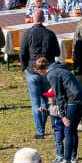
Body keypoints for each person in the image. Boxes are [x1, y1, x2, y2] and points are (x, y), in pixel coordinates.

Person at [19, 8, 61, 140]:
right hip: (47, 70)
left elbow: (22, 53)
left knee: (35, 101)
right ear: (43, 19)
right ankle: (42, 126)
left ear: (32, 18)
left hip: (32, 70)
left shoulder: (27, 34)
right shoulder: (50, 34)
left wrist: (24, 67)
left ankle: (40, 130)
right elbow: (57, 52)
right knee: (46, 99)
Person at [45, 56, 82, 163]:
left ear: (42, 70)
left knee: (68, 131)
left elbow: (58, 96)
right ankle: (73, 159)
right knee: (73, 130)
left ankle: (67, 162)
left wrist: (62, 115)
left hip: (73, 101)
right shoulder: (62, 69)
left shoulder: (52, 74)